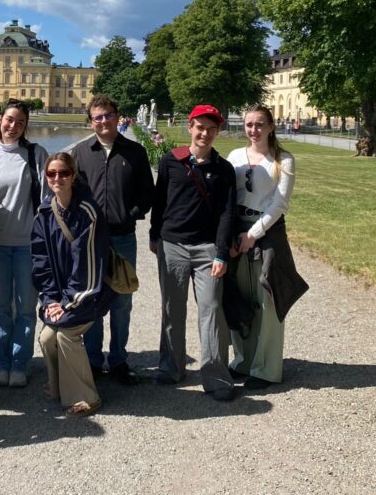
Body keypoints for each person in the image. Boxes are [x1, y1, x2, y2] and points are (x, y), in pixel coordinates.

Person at [150, 104, 237, 401]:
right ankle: (171, 366)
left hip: (207, 248)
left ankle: (215, 376)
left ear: (218, 132)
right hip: (172, 244)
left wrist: (222, 253)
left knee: (211, 309)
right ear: (190, 127)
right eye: (200, 127)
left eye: (211, 129)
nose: (205, 133)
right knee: (172, 308)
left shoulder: (223, 169)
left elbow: (227, 213)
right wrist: (153, 235)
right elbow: (159, 202)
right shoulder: (170, 161)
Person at [71, 95, 154, 386]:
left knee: (121, 301)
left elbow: (147, 192)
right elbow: (73, 195)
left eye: (107, 115)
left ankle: (118, 358)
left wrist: (129, 213)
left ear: (118, 117)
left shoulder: (135, 152)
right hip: (91, 240)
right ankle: (94, 360)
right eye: (97, 117)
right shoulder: (81, 152)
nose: (103, 121)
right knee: (92, 300)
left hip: (122, 237)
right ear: (91, 121)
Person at [227, 104, 307, 388]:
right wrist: (232, 236)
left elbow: (280, 204)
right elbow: (228, 196)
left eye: (260, 124)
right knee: (241, 298)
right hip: (238, 232)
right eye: (249, 124)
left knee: (268, 300)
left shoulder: (283, 160)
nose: (253, 130)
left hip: (267, 233)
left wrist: (254, 234)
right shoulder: (235, 156)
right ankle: (243, 360)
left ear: (271, 126)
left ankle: (266, 369)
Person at [31, 152, 115, 417]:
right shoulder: (44, 211)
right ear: (46, 177)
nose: (58, 178)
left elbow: (86, 266)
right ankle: (57, 387)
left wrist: (67, 302)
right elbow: (40, 261)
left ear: (73, 176)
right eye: (52, 173)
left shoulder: (87, 212)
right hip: (61, 298)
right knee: (46, 337)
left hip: (90, 294)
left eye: (64, 173)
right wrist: (50, 301)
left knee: (66, 333)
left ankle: (86, 396)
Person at [0, 99, 47, 387]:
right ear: (0, 121)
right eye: (9, 119)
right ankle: (1, 363)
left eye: (20, 121)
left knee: (26, 308)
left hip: (28, 245)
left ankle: (19, 363)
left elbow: (46, 200)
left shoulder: (36, 154)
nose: (13, 126)